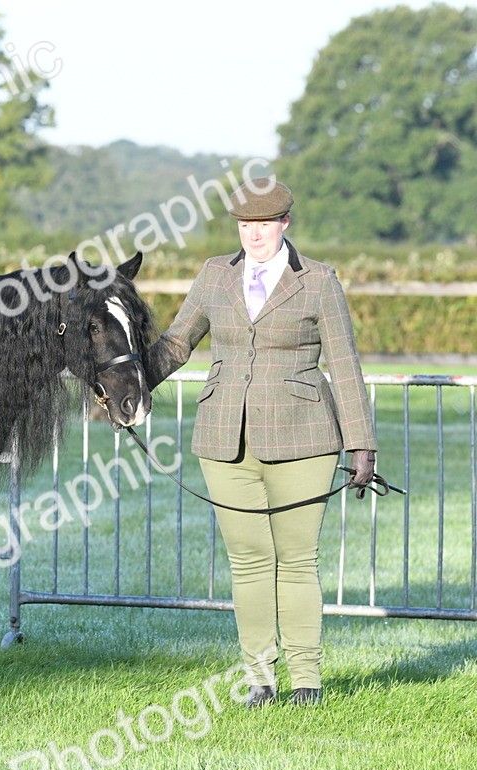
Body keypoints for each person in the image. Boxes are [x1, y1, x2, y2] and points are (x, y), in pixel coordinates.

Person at [145, 178, 377, 707]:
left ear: (284, 223)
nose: (254, 235)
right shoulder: (214, 274)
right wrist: (126, 389)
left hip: (305, 437)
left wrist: (362, 444)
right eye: (245, 225)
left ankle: (306, 680)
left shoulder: (318, 280)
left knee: (296, 559)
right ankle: (260, 680)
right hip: (224, 438)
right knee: (248, 560)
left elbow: (344, 363)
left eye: (264, 225)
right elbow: (177, 343)